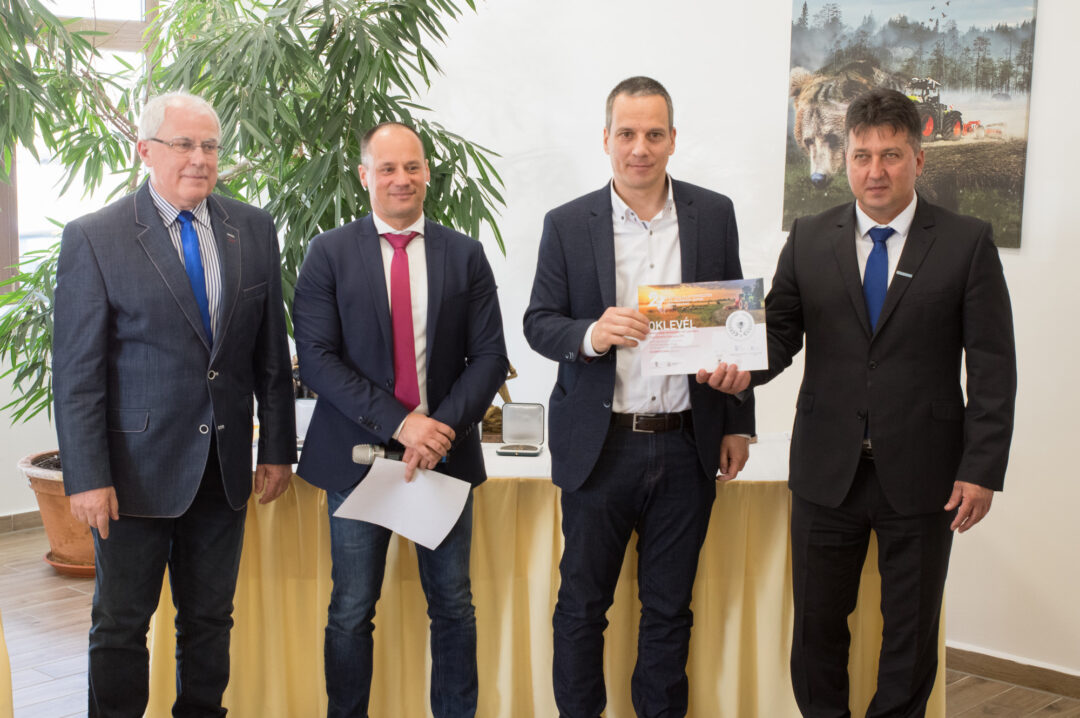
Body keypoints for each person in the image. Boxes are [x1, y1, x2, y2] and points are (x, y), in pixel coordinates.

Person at [701, 87, 1016, 717]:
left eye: (891, 156)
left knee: (911, 633)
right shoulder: (810, 237)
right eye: (862, 156)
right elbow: (778, 334)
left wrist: (981, 469)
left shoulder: (966, 241)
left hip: (926, 474)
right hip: (827, 471)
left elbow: (992, 367)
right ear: (845, 159)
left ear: (918, 160)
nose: (876, 171)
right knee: (816, 628)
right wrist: (739, 371)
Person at [53, 91, 297, 717]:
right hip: (131, 474)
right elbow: (77, 375)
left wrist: (276, 449)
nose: (200, 158)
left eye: (210, 145)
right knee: (120, 623)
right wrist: (87, 477)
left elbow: (269, 354)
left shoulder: (253, 229)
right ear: (145, 150)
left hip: (223, 469)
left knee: (211, 619)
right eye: (183, 144)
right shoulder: (96, 236)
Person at [523, 76, 755, 718]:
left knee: (670, 610)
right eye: (626, 133)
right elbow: (539, 322)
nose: (640, 148)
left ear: (673, 139)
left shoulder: (714, 213)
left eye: (654, 134)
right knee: (581, 608)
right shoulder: (567, 223)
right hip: (600, 448)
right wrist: (592, 334)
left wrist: (738, 422)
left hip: (686, 443)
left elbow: (735, 325)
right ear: (606, 139)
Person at [292, 122, 508, 718]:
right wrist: (402, 424)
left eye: (412, 166)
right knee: (351, 609)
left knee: (454, 606)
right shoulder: (328, 253)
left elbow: (490, 356)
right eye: (386, 168)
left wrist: (438, 431)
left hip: (444, 458)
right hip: (357, 460)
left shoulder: (464, 254)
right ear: (365, 176)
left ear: (427, 172)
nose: (401, 179)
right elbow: (317, 359)